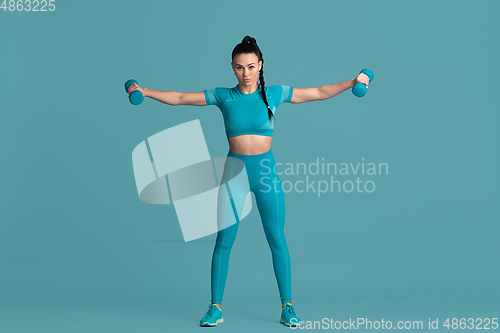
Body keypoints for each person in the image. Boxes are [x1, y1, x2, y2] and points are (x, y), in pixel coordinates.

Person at [126, 35, 370, 328]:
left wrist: (351, 81)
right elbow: (180, 98)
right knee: (224, 242)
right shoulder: (223, 96)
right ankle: (215, 307)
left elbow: (317, 92)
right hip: (234, 174)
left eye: (251, 66)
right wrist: (146, 91)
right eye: (240, 67)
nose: (246, 73)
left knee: (277, 239)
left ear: (260, 65)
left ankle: (287, 307)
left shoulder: (274, 94)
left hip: (266, 174)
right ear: (232, 67)